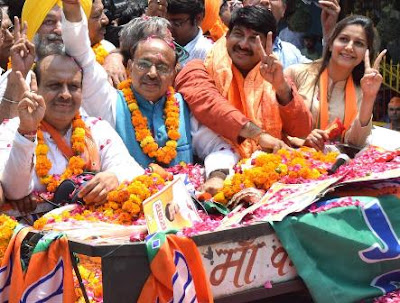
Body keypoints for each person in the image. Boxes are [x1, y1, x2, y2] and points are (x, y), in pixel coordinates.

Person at [61, 0, 239, 194]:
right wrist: (72, 12)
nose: (152, 73)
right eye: (143, 64)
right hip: (125, 212)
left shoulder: (183, 106)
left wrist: (217, 176)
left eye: (162, 67)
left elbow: (220, 148)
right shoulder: (109, 103)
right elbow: (83, 58)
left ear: (174, 73)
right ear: (129, 67)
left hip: (181, 212)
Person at [0, 45, 144, 215]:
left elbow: (133, 170)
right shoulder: (12, 130)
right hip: (35, 236)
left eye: (74, 86)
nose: (65, 94)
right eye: (55, 85)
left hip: (92, 232)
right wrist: (27, 132)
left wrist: (114, 177)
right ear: (35, 88)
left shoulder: (97, 129)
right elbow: (15, 191)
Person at [176, 6, 312, 158]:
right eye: (238, 34)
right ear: (227, 35)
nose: (243, 44)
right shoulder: (197, 69)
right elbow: (212, 105)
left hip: (272, 168)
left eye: (254, 38)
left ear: (269, 44)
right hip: (216, 171)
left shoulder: (275, 77)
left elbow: (302, 130)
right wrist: (258, 135)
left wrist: (281, 88)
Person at [284, 15, 387, 150]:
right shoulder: (296, 74)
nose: (349, 47)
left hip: (335, 167)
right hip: (289, 162)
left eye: (359, 43)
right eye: (344, 39)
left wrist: (369, 97)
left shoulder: (362, 89)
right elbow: (271, 123)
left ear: (365, 54)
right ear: (331, 44)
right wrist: (300, 141)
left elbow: (356, 144)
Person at [166, 0, 213, 66]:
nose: (169, 27)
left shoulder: (208, 53)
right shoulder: (160, 43)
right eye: (165, 21)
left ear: (198, 19)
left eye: (177, 23)